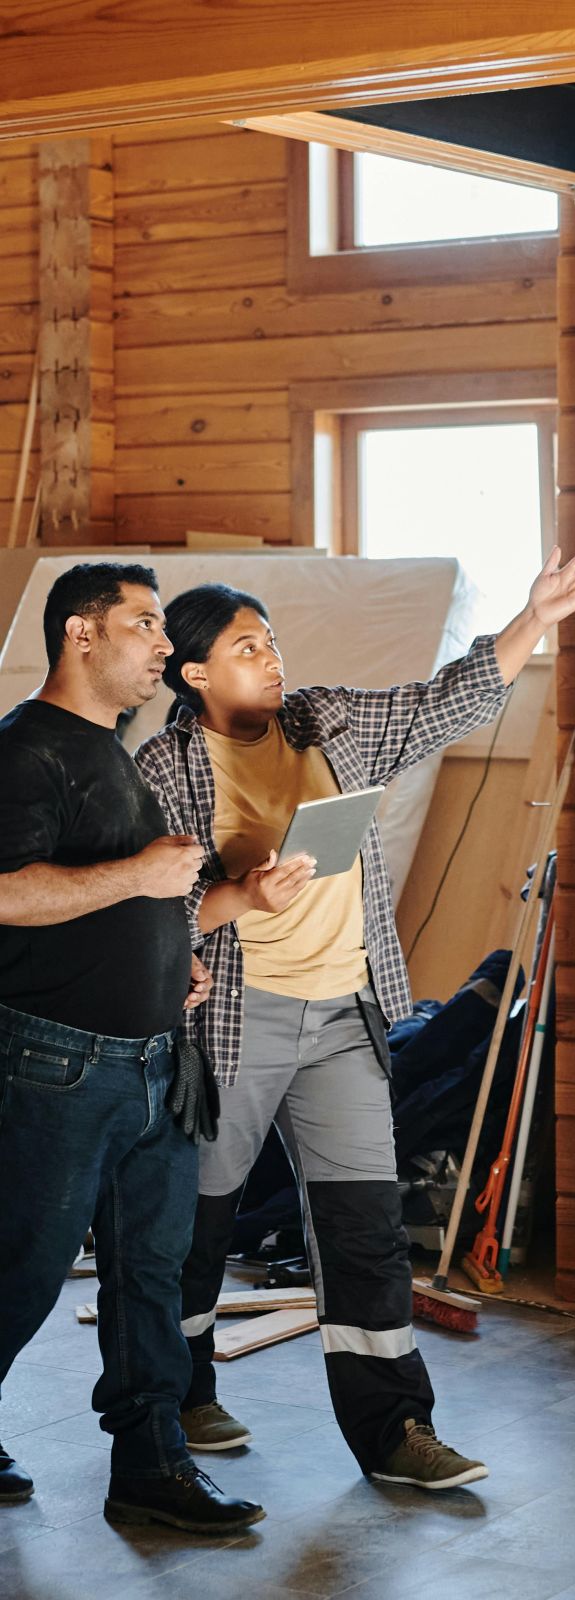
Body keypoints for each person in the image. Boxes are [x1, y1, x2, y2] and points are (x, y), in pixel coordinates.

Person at [136, 542, 575, 1492]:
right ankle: (178, 1393)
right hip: (236, 1020)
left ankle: (397, 1430)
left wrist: (536, 617)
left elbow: (450, 700)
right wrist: (243, 893)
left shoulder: (330, 722)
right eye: (244, 647)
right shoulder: (164, 767)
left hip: (345, 1015)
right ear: (193, 674)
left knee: (362, 1227)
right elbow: (147, 910)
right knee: (199, 1221)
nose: (271, 659)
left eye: (271, 641)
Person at [0, 562, 262, 1534]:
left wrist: (174, 965)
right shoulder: (27, 752)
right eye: (144, 624)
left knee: (152, 1270)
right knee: (22, 1267)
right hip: (57, 1064)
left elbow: (129, 901)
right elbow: (7, 891)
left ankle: (151, 1464)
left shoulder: (116, 752)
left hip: (155, 1059)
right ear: (79, 632)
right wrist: (142, 876)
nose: (163, 644)